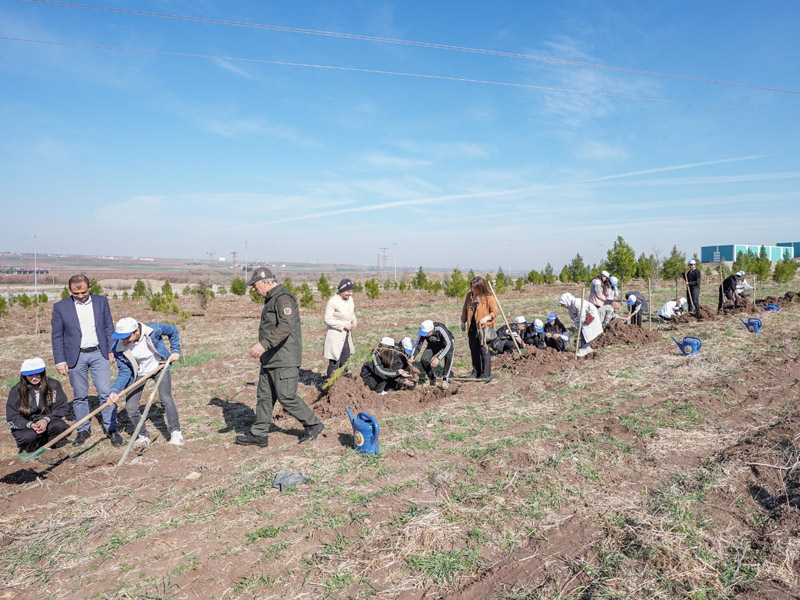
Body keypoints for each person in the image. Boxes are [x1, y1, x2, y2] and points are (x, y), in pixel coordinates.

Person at [236, 267, 324, 448]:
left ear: (265, 282)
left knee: (287, 396)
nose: (253, 290)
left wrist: (263, 344)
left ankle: (313, 424)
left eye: (254, 286)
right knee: (264, 397)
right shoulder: (272, 299)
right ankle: (259, 434)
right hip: (270, 358)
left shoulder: (283, 298)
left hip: (284, 358)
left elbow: (286, 325)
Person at [51, 274, 121, 447]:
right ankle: (83, 429)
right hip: (76, 356)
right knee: (80, 395)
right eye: (76, 293)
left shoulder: (101, 302)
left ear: (90, 288)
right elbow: (57, 336)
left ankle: (111, 428)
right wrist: (60, 360)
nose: (81, 296)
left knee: (106, 393)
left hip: (99, 353)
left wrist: (112, 350)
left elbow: (108, 326)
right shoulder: (60, 307)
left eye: (83, 292)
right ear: (70, 291)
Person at [108, 317, 183, 446]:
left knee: (166, 398)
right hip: (138, 373)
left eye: (126, 337)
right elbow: (124, 372)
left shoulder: (153, 330)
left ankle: (176, 433)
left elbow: (173, 331)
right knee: (130, 407)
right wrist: (115, 390)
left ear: (136, 331)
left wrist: (175, 351)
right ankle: (143, 435)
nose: (123, 340)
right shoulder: (118, 347)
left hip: (160, 367)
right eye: (121, 337)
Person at [6, 358, 69, 452]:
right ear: (24, 376)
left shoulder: (54, 385)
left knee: (59, 425)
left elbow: (61, 407)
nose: (34, 378)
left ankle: (49, 445)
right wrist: (30, 424)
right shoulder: (16, 391)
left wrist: (46, 420)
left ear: (42, 373)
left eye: (37, 374)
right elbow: (12, 416)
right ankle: (30, 449)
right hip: (26, 424)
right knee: (28, 436)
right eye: (30, 375)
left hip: (47, 419)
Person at [460, 276, 498, 379]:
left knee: (484, 351)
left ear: (481, 287)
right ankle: (475, 372)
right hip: (472, 327)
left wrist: (487, 317)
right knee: (474, 350)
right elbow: (465, 309)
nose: (473, 290)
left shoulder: (489, 297)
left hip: (484, 328)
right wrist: (463, 321)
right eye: (472, 287)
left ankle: (485, 374)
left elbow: (495, 312)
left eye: (475, 288)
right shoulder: (469, 296)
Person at [322, 278, 357, 378]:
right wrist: (343, 325)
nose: (350, 294)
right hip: (335, 336)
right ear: (341, 290)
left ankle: (342, 385)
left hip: (346, 336)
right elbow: (327, 319)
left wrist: (354, 320)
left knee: (345, 361)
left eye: (352, 291)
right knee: (334, 362)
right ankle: (330, 385)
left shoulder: (350, 300)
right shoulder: (333, 301)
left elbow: (351, 313)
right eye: (348, 291)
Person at [414, 319, 455, 389]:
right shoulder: (423, 331)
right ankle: (432, 378)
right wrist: (413, 356)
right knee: (424, 359)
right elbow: (418, 344)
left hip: (447, 343)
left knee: (449, 355)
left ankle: (445, 379)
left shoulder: (440, 328)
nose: (424, 336)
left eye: (426, 334)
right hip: (433, 344)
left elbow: (449, 344)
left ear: (431, 331)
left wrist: (438, 358)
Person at [558, 293, 602, 357]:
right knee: (582, 330)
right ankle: (585, 347)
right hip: (584, 317)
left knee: (585, 330)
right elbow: (573, 317)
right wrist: (577, 324)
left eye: (563, 304)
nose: (563, 305)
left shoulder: (577, 302)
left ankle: (585, 347)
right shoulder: (570, 307)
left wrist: (580, 323)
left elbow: (582, 314)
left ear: (566, 300)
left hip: (590, 314)